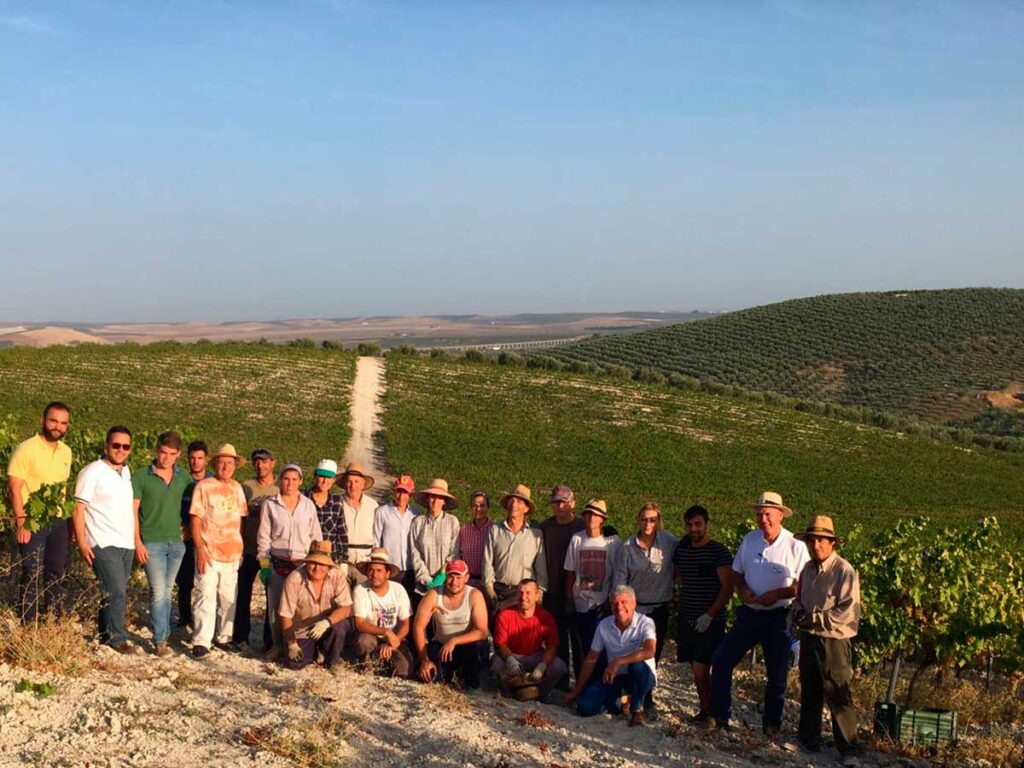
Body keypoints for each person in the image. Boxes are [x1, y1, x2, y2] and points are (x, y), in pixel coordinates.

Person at [709, 491, 811, 734]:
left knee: (777, 674)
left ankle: (771, 725)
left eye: (767, 514)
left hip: (778, 617)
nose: (762, 518)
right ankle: (720, 717)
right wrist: (742, 589)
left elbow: (803, 585)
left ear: (780, 515)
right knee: (721, 660)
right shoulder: (750, 540)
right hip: (750, 613)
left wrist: (777, 595)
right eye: (759, 514)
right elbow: (736, 572)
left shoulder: (795, 546)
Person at [791, 516, 862, 757]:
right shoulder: (808, 569)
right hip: (810, 637)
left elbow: (848, 610)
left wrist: (815, 618)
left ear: (832, 543)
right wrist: (799, 612)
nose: (816, 545)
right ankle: (808, 740)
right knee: (810, 689)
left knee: (838, 692)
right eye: (812, 540)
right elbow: (798, 599)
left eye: (821, 540)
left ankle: (849, 748)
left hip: (834, 640)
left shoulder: (844, 571)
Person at [7, 401, 73, 622]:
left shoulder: (67, 452)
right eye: (53, 420)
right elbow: (14, 489)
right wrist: (21, 522)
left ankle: (53, 621)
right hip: (32, 521)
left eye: (63, 423)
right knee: (31, 572)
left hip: (58, 521)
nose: (57, 427)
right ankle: (28, 623)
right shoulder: (26, 449)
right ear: (43, 420)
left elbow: (63, 489)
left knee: (55, 572)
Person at [72, 426, 136, 653]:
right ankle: (117, 639)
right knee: (117, 590)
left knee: (111, 590)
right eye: (116, 445)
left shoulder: (127, 473)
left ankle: (104, 635)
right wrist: (82, 542)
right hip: (102, 540)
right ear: (106, 446)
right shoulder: (92, 472)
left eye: (125, 446)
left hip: (126, 543)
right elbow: (79, 508)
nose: (120, 450)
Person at [615, 502, 678, 716]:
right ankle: (631, 695)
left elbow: (679, 565)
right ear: (638, 520)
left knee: (653, 655)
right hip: (636, 610)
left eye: (652, 519)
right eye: (644, 519)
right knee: (632, 652)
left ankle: (645, 696)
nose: (648, 523)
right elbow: (620, 582)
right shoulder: (627, 547)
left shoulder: (669, 542)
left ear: (658, 521)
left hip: (659, 608)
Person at [673, 504, 733, 723]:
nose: (693, 529)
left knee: (701, 670)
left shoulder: (719, 552)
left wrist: (709, 615)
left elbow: (727, 588)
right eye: (689, 525)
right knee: (696, 670)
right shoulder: (683, 550)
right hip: (688, 619)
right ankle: (706, 710)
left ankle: (713, 713)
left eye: (698, 524)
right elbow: (674, 574)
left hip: (711, 621)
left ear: (707, 525)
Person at [132, 430, 190, 656]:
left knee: (166, 590)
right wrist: (137, 542)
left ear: (178, 454)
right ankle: (160, 641)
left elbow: (195, 503)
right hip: (152, 543)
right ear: (157, 450)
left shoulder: (183, 477)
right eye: (163, 452)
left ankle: (163, 633)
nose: (166, 457)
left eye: (172, 453)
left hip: (176, 544)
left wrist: (189, 528)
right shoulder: (140, 477)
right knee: (159, 591)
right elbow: (133, 511)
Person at [564, 585, 657, 727]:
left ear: (634, 604)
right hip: (615, 678)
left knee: (637, 666)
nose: (619, 607)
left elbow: (649, 651)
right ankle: (621, 702)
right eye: (614, 603)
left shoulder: (646, 623)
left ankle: (637, 710)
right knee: (585, 707)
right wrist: (577, 691)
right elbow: (591, 658)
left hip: (641, 676)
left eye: (623, 602)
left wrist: (618, 661)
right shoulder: (604, 625)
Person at [257, 464, 322, 658]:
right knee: (276, 608)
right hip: (278, 562)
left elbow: (315, 536)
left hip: (302, 564)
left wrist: (316, 563)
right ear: (280, 480)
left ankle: (303, 645)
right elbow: (264, 539)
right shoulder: (270, 505)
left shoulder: (308, 505)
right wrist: (265, 567)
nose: (290, 483)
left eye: (295, 479)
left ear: (300, 482)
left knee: (302, 607)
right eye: (286, 479)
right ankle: (277, 645)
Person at [189, 444, 248, 658]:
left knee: (228, 596)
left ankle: (224, 637)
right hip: (209, 550)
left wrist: (240, 546)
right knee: (205, 595)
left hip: (232, 553)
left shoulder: (237, 488)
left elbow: (240, 520)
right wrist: (200, 549)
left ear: (234, 467)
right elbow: (195, 519)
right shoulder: (204, 487)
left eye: (230, 463)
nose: (226, 466)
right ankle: (202, 641)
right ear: (215, 464)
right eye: (222, 462)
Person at [564, 499, 622, 679]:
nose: (591, 518)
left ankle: (600, 682)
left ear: (602, 519)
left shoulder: (612, 542)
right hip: (580, 602)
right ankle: (582, 684)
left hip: (601, 606)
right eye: (588, 514)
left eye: (596, 515)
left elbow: (617, 575)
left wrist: (609, 602)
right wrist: (569, 600)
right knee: (580, 647)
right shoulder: (577, 539)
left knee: (600, 648)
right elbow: (570, 572)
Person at [412, 560, 489, 688]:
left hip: (466, 645)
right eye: (451, 577)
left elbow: (482, 631)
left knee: (477, 655)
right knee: (432, 678)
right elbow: (418, 626)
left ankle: (470, 678)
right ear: (445, 577)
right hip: (442, 646)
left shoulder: (475, 595)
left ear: (467, 578)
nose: (454, 582)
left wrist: (454, 641)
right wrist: (424, 660)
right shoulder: (433, 594)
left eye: (459, 577)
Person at [278, 540, 353, 672]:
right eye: (313, 563)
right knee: (294, 663)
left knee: (341, 625)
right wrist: (292, 644)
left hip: (328, 626)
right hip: (303, 630)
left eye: (322, 564)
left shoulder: (338, 575)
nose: (317, 568)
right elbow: (285, 615)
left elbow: (346, 608)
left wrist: (326, 622)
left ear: (329, 565)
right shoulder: (293, 580)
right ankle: (315, 652)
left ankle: (333, 660)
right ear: (306, 563)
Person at [539, 484, 586, 683]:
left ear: (573, 503)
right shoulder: (545, 527)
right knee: (556, 641)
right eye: (556, 502)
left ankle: (581, 681)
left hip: (577, 594)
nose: (560, 506)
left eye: (564, 502)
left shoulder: (583, 526)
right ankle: (562, 682)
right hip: (552, 593)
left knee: (578, 642)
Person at [491, 579, 568, 695]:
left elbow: (552, 646)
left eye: (528, 593)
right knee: (496, 665)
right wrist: (510, 659)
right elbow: (500, 644)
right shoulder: (504, 614)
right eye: (520, 593)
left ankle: (540, 692)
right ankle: (508, 689)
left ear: (537, 596)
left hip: (535, 655)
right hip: (512, 654)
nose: (523, 597)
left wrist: (542, 666)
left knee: (559, 666)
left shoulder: (546, 618)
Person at [234, 448, 277, 648]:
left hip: (269, 552)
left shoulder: (280, 488)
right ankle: (241, 635)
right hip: (249, 549)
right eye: (256, 462)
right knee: (243, 593)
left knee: (271, 595)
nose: (260, 465)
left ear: (273, 463)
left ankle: (270, 639)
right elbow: (239, 517)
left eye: (264, 461)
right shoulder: (246, 487)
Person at [482, 484, 548, 612]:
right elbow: (487, 563)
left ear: (526, 508)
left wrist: (539, 596)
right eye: (511, 500)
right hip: (499, 591)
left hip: (523, 594)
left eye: (519, 501)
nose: (514, 504)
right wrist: (491, 593)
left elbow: (541, 570)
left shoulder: (535, 535)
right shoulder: (495, 530)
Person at [351, 547, 415, 678]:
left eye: (379, 570)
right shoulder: (360, 590)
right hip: (371, 635)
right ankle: (366, 664)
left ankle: (385, 662)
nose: (374, 574)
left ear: (388, 573)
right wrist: (385, 631)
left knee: (405, 672)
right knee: (364, 641)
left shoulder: (398, 589)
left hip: (394, 638)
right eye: (371, 570)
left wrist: (393, 641)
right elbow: (360, 623)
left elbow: (405, 623)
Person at [176, 440, 211, 630]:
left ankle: (204, 622)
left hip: (208, 538)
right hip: (185, 538)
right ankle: (185, 618)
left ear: (206, 459)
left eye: (199, 458)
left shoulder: (212, 481)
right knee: (185, 580)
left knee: (205, 582)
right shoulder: (182, 480)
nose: (196, 462)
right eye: (192, 458)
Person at [409, 478, 460, 599]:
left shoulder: (452, 522)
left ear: (444, 501)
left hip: (446, 584)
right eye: (432, 496)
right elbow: (415, 553)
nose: (435, 501)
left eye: (439, 497)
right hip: (422, 586)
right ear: (427, 499)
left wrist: (442, 575)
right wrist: (427, 579)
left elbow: (454, 552)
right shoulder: (418, 522)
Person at [374, 475, 419, 594]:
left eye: (405, 493)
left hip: (410, 567)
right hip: (390, 566)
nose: (401, 496)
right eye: (399, 491)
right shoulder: (382, 512)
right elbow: (377, 540)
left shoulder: (415, 513)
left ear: (411, 494)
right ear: (394, 491)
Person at [305, 459, 349, 567]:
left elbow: (342, 533)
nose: (325, 481)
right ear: (315, 477)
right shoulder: (302, 498)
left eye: (329, 477)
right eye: (322, 476)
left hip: (329, 558)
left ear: (334, 479)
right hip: (305, 555)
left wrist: (342, 560)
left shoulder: (337, 501)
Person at [337, 462, 378, 576]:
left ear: (363, 483)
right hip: (342, 561)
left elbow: (377, 534)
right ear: (345, 483)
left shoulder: (372, 505)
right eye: (349, 481)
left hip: (365, 561)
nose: (352, 486)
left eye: (356, 482)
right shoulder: (336, 502)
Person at [458, 492, 493, 590]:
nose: (478, 509)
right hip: (467, 583)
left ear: (488, 508)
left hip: (488, 584)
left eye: (482, 505)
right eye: (475, 506)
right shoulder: (464, 530)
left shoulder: (494, 529)